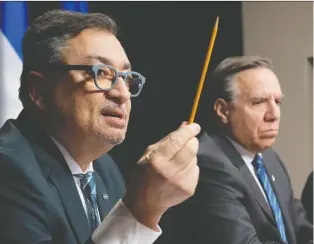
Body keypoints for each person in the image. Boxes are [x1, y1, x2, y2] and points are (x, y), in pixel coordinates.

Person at [0, 10, 201, 244]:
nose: (122, 94)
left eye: (126, 78)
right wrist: (140, 211)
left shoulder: (103, 167)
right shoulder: (8, 169)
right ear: (40, 91)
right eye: (102, 73)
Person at [156, 56, 313, 244]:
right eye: (258, 102)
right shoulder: (208, 164)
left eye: (277, 102)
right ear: (223, 110)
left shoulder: (269, 158)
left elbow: (298, 224)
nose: (273, 115)